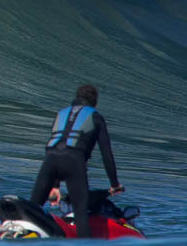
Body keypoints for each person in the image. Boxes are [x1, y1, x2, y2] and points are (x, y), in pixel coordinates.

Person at [29, 84, 124, 238]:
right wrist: (114, 184)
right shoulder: (96, 116)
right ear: (95, 102)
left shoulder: (61, 113)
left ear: (76, 98)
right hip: (74, 162)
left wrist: (55, 186)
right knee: (81, 214)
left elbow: (57, 144)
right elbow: (106, 153)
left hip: (50, 160)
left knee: (33, 208)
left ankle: (18, 234)